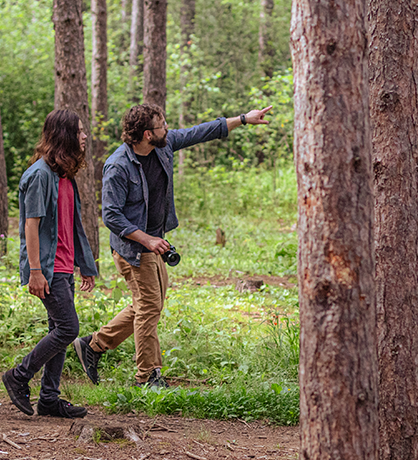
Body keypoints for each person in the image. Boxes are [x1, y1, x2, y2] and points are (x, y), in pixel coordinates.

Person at [73, 103, 272, 387]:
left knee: (149, 305)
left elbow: (200, 132)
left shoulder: (163, 146)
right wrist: (147, 239)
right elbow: (112, 217)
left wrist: (243, 119)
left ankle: (93, 346)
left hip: (155, 243)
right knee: (149, 308)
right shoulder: (118, 165)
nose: (167, 128)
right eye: (161, 125)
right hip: (132, 248)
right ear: (146, 134)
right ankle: (147, 377)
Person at [0, 109, 99, 418]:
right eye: (80, 131)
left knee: (59, 328)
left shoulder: (64, 176)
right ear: (64, 136)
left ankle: (49, 399)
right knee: (69, 328)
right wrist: (35, 271)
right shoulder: (40, 174)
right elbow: (31, 225)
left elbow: (72, 226)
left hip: (64, 266)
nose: (84, 136)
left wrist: (84, 264)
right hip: (46, 267)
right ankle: (18, 376)